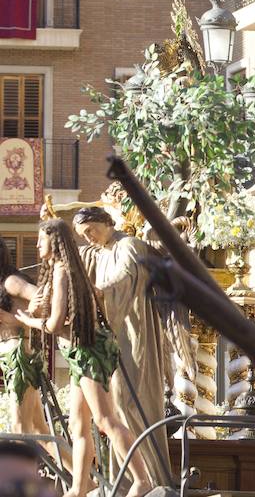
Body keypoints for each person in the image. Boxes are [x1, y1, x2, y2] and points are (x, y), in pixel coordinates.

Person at [14, 219, 151, 497]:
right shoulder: (61, 270)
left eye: (42, 240)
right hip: (79, 352)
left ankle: (142, 479)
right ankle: (78, 487)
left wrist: (28, 321)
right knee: (78, 424)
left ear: (54, 242)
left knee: (104, 419)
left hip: (88, 350)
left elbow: (54, 324)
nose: (38, 244)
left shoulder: (63, 271)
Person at [72, 207, 171, 486]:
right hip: (112, 337)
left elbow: (124, 279)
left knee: (130, 400)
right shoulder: (99, 252)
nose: (89, 237)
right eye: (83, 234)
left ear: (107, 222)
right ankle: (126, 479)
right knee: (114, 407)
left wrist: (100, 292)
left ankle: (151, 477)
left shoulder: (129, 245)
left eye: (91, 229)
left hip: (134, 333)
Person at [0, 240, 70, 469]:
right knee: (40, 431)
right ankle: (86, 481)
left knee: (20, 427)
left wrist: (31, 312)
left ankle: (18, 486)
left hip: (19, 355)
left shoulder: (11, 281)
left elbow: (42, 296)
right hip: (13, 356)